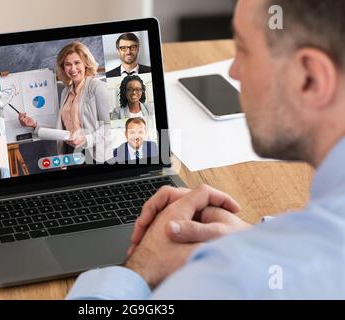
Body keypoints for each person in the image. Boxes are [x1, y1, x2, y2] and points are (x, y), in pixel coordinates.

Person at [67, 0, 345, 299]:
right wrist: (258, 237)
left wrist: (140, 269)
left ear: (311, 78)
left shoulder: (223, 281)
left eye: (244, 50)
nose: (234, 71)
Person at [54, 41, 112, 162]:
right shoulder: (65, 92)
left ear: (85, 63)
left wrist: (87, 139)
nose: (73, 69)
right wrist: (35, 126)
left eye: (77, 62)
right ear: (63, 67)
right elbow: (63, 126)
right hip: (71, 153)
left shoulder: (98, 88)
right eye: (67, 64)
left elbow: (109, 125)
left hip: (94, 154)